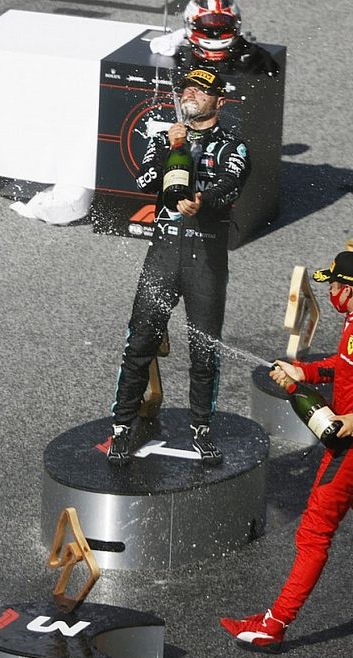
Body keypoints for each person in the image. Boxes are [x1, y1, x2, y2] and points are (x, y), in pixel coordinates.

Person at [219, 251, 353, 653]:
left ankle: (274, 624)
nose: (329, 291)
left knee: (313, 532)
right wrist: (303, 372)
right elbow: (349, 365)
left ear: (346, 290)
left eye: (332, 285)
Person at [108, 66, 250, 466]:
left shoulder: (231, 144)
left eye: (201, 91)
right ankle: (121, 426)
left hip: (206, 257)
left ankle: (201, 429)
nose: (191, 94)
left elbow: (231, 184)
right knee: (139, 342)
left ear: (219, 101)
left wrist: (202, 200)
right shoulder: (163, 136)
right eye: (188, 87)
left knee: (204, 349)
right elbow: (144, 181)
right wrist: (175, 147)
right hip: (164, 255)